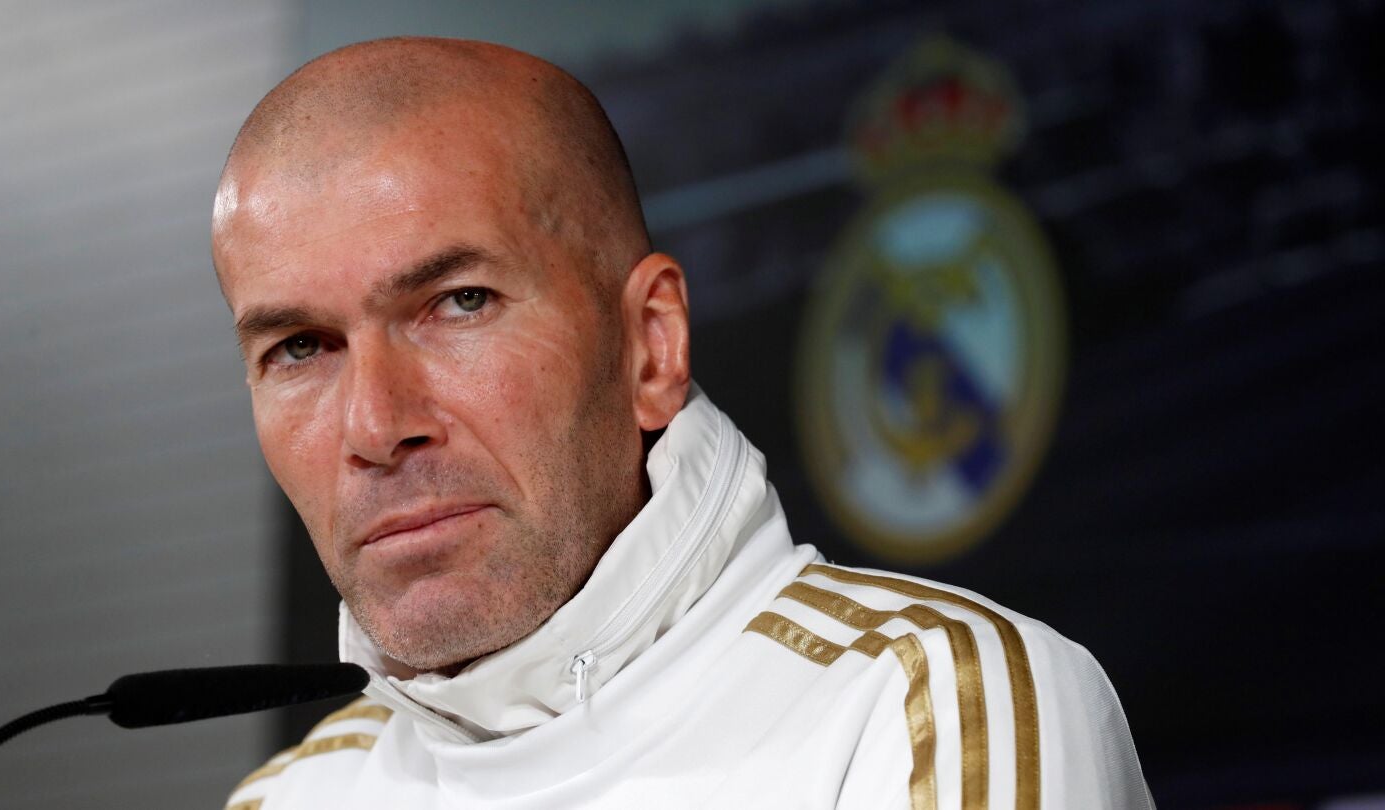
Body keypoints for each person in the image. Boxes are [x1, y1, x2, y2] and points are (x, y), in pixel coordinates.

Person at [212, 37, 1153, 809]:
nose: (376, 425)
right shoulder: (283, 800)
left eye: (460, 303)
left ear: (651, 347)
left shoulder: (926, 709)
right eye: (299, 348)